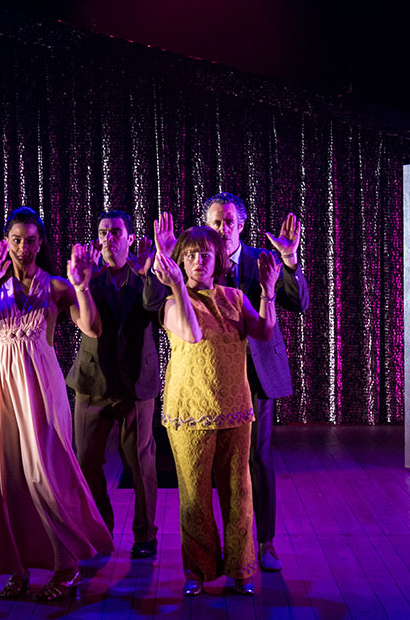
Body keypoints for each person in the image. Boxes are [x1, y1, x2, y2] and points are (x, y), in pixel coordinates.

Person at [0, 207, 113, 601]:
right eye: (16, 240)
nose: (23, 248)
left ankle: (67, 565)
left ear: (40, 243)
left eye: (31, 240)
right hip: (0, 386)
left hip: (40, 383)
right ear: (6, 243)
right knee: (5, 475)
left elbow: (92, 328)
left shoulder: (55, 285)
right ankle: (17, 569)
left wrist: (83, 287)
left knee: (46, 471)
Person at [155, 217, 279, 596]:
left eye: (205, 254)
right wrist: (177, 285)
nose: (198, 261)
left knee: (238, 488)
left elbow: (265, 331)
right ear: (180, 260)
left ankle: (242, 569)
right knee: (194, 493)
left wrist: (268, 290)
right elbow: (192, 333)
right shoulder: (172, 302)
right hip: (190, 409)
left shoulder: (234, 297)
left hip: (235, 407)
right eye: (190, 254)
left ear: (219, 258)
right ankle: (197, 570)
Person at [203, 193, 309, 572]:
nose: (223, 229)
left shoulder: (262, 260)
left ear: (242, 225)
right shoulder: (199, 263)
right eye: (216, 222)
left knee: (257, 458)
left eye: (229, 221)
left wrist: (290, 260)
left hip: (255, 375)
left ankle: (265, 544)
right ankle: (223, 544)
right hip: (211, 375)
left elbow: (300, 303)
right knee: (214, 464)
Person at [66, 210, 165, 559]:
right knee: (87, 459)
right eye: (103, 232)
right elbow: (82, 321)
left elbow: (158, 312)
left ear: (130, 238)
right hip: (93, 381)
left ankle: (145, 535)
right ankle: (100, 529)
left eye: (115, 232)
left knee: (141, 461)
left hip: (137, 379)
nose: (109, 238)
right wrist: (83, 283)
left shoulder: (148, 276)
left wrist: (149, 273)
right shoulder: (86, 277)